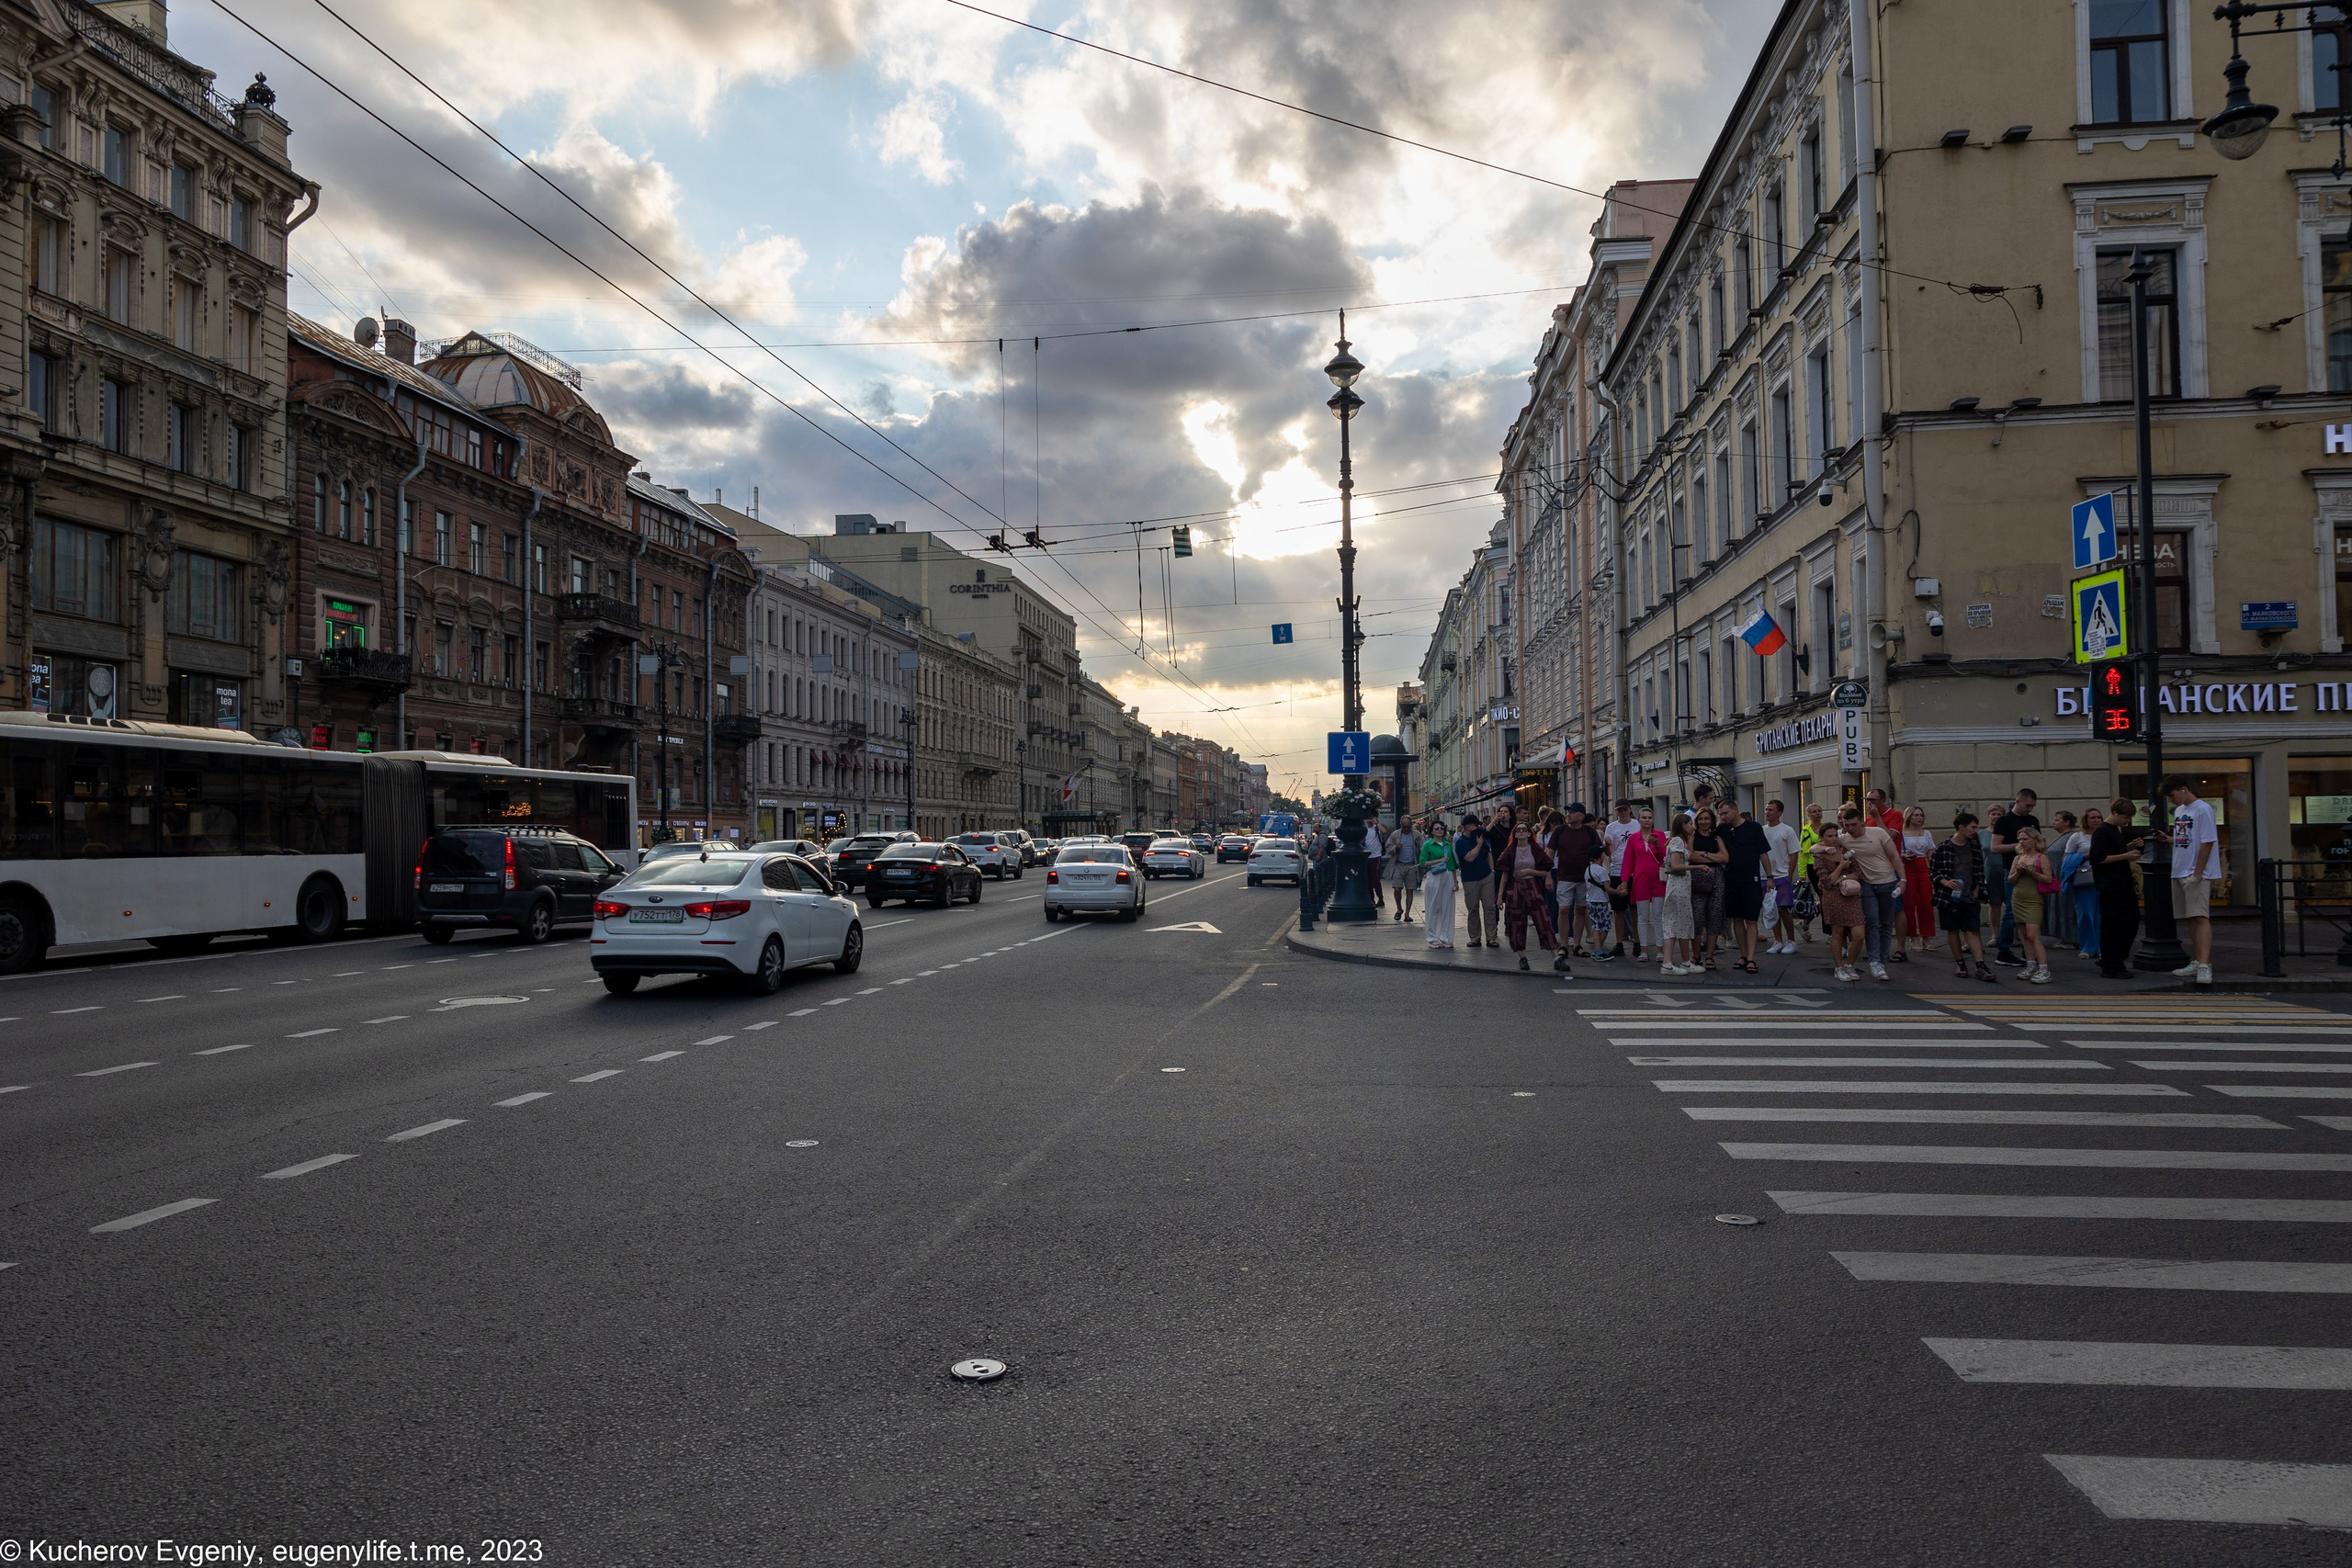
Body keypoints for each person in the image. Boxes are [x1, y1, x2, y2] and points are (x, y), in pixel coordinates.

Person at [2165, 774, 2222, 986]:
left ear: (2183, 789)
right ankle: (2198, 961)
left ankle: (2205, 964)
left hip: (2194, 872)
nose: (2171, 801)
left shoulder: (2203, 809)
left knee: (2200, 916)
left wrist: (2198, 873)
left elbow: (2208, 842)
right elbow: (2187, 838)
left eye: (2172, 796)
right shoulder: (2180, 811)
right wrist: (2169, 839)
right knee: (2191, 917)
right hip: (2181, 869)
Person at [1838, 803, 1904, 982]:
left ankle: (1882, 961)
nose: (1850, 828)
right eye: (1847, 825)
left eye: (1854, 824)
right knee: (1872, 921)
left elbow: (1895, 856)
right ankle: (1874, 961)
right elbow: (1819, 845)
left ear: (1862, 822)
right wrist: (1823, 848)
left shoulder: (1878, 833)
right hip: (1866, 884)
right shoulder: (1844, 839)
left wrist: (1903, 880)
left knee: (1886, 923)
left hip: (1888, 882)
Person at [1933, 812, 1996, 983]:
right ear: (1961, 827)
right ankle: (1960, 963)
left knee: (1973, 930)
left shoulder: (1975, 847)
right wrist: (1945, 882)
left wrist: (1976, 892)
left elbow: (1979, 871)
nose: (1976, 830)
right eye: (1973, 827)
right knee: (1953, 930)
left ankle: (1980, 965)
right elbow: (1933, 871)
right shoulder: (1943, 847)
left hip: (1969, 896)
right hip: (1949, 897)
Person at [2090, 797, 2144, 978]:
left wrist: (2130, 847)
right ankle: (2112, 964)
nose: (2127, 821)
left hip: (2120, 883)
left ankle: (2112, 958)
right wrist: (2126, 856)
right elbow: (2097, 858)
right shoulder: (2103, 831)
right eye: (2126, 817)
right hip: (2111, 885)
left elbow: (2111, 851)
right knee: (2115, 926)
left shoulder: (2112, 830)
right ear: (2115, 813)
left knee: (2128, 921)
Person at [1989, 787, 2041, 967]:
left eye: (2033, 806)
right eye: (2027, 805)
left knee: (2030, 911)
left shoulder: (2033, 820)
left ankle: (2028, 951)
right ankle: (2004, 951)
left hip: (2031, 870)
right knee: (2011, 912)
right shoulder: (2004, 821)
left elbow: (2038, 843)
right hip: (2012, 869)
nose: (2030, 809)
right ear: (2018, 802)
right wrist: (2019, 846)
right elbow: (1995, 847)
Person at [1550, 803, 1606, 964]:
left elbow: (1600, 853)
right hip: (1564, 877)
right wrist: (1547, 876)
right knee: (1563, 909)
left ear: (1581, 816)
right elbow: (1550, 853)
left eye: (1572, 812)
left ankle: (1577, 944)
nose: (1569, 815)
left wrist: (1596, 873)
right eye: (1568, 812)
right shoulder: (1560, 831)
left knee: (1580, 909)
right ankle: (1563, 945)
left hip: (1584, 878)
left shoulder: (1589, 832)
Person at [1722, 798, 1772, 972]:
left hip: (1751, 879)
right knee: (1737, 918)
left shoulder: (1754, 827)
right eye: (1720, 814)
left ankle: (1751, 958)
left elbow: (1763, 853)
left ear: (1735, 810)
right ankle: (1743, 955)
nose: (1723, 817)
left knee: (1751, 919)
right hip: (1731, 880)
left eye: (1725, 813)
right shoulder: (1722, 829)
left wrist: (1770, 877)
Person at [1499, 820, 1556, 972]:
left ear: (1529, 833)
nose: (1521, 832)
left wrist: (1529, 871)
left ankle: (1557, 957)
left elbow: (1545, 870)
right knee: (1516, 923)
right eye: (1518, 830)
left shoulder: (1536, 850)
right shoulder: (1510, 851)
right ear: (1515, 834)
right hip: (1515, 888)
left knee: (1543, 920)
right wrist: (1500, 896)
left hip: (1532, 886)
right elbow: (1504, 876)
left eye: (1524, 829)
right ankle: (1521, 957)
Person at [1816, 828, 1866, 982]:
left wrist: (1841, 878)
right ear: (1822, 838)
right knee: (1837, 933)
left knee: (1859, 935)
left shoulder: (1846, 852)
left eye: (1835, 835)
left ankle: (1850, 965)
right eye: (1829, 836)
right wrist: (1841, 867)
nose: (1833, 839)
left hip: (1851, 896)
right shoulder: (1820, 856)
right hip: (1833, 898)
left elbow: (1858, 873)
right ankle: (1839, 968)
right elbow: (1826, 881)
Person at [2008, 825, 2055, 984]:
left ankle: (2044, 969)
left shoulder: (2042, 857)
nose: (2022, 842)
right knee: (2025, 935)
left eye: (2025, 839)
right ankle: (2030, 966)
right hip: (2018, 898)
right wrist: (2018, 872)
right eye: (2020, 839)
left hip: (2034, 900)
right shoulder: (2017, 858)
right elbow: (2010, 880)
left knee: (2033, 935)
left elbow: (2048, 879)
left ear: (2035, 840)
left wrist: (2030, 872)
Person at [1622, 805, 1668, 963]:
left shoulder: (1660, 835)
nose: (1647, 820)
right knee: (1642, 916)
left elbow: (1664, 857)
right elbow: (1628, 861)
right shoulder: (1633, 838)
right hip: (1640, 881)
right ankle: (1644, 950)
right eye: (1644, 817)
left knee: (1658, 916)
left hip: (1658, 881)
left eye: (1649, 818)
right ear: (1639, 820)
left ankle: (1660, 950)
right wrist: (1624, 882)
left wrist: (1658, 845)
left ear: (1653, 820)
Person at [1687, 807, 1728, 970]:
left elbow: (1725, 858)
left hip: (1717, 879)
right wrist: (1713, 856)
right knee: (1697, 917)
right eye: (1701, 819)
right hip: (1697, 878)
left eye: (1707, 819)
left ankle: (1710, 956)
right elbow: (1690, 855)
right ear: (1696, 821)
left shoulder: (1717, 838)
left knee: (1715, 916)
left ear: (1712, 821)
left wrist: (1703, 854)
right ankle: (1696, 955)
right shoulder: (1692, 836)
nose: (1704, 822)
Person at [1761, 799, 1801, 954]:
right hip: (1766, 875)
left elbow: (1794, 853)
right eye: (1766, 809)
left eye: (1771, 810)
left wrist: (1789, 874)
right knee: (1772, 909)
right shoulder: (1762, 830)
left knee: (1782, 908)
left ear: (1779, 813)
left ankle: (1791, 940)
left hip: (1782, 874)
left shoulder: (1787, 830)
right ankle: (1778, 940)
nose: (1767, 812)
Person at [1602, 799, 1640, 961]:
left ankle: (1638, 941)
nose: (1623, 812)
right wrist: (1607, 845)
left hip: (1636, 870)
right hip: (1618, 869)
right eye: (1620, 810)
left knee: (1635, 908)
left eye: (1625, 810)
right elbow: (1608, 852)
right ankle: (1619, 943)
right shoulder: (1611, 827)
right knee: (1619, 909)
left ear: (1630, 809)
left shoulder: (1637, 825)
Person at [1661, 813, 1698, 976]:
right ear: (1683, 825)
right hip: (1678, 886)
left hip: (1681, 887)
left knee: (1683, 922)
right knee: (1675, 922)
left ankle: (1684, 960)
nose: (1693, 827)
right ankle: (1668, 963)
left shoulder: (1679, 840)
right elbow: (1676, 866)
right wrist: (1697, 867)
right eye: (1690, 824)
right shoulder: (1677, 841)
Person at [1899, 806, 1938, 957]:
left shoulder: (1926, 833)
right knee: (1909, 904)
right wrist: (1903, 855)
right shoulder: (1902, 833)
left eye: (1921, 815)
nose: (1919, 818)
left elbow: (1931, 855)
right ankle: (1912, 937)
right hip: (1908, 868)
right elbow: (1895, 852)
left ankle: (1926, 936)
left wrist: (1934, 873)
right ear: (1909, 817)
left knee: (1926, 903)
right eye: (1916, 815)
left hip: (1923, 868)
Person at [1455, 812, 1498, 948]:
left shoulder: (1479, 837)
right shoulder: (1461, 842)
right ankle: (1475, 938)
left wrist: (1491, 871)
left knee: (1490, 907)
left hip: (1486, 876)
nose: (1478, 828)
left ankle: (1491, 938)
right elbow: (1470, 858)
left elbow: (1488, 854)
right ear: (1468, 827)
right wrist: (1478, 845)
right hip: (1470, 879)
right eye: (1476, 825)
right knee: (1473, 908)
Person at [1418, 824, 1456, 949]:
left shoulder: (1448, 845)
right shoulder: (1427, 845)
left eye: (1442, 828)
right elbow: (1423, 863)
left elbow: (1453, 864)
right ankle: (1432, 938)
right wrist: (1439, 860)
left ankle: (1446, 937)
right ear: (1431, 831)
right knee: (1433, 906)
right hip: (1434, 875)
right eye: (1437, 828)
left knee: (1447, 907)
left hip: (1448, 875)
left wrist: (1455, 881)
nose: (1440, 830)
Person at [1796, 801, 1827, 945]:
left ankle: (1805, 922)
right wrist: (1802, 874)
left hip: (1829, 865)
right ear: (1808, 815)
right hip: (1813, 866)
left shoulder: (1827, 827)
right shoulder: (1806, 830)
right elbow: (1803, 853)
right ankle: (1830, 932)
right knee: (1824, 897)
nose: (1817, 814)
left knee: (1826, 899)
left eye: (1819, 811)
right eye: (1814, 811)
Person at [1385, 818, 1422, 922]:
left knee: (1410, 889)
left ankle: (1407, 914)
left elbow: (1423, 847)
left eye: (1408, 827)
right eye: (1404, 827)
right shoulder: (1395, 835)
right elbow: (1388, 847)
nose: (1406, 829)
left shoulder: (1417, 835)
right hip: (1399, 864)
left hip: (1412, 865)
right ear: (1401, 825)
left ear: (1411, 825)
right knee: (1397, 888)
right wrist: (1395, 847)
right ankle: (1399, 909)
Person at [1363, 816, 1386, 912]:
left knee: (1375, 879)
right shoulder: (1365, 830)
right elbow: (1363, 841)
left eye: (1370, 818)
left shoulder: (1376, 828)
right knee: (1368, 880)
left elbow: (1384, 831)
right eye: (1367, 818)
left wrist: (1376, 823)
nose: (1369, 820)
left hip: (1376, 855)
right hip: (1367, 856)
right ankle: (1371, 899)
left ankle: (1380, 899)